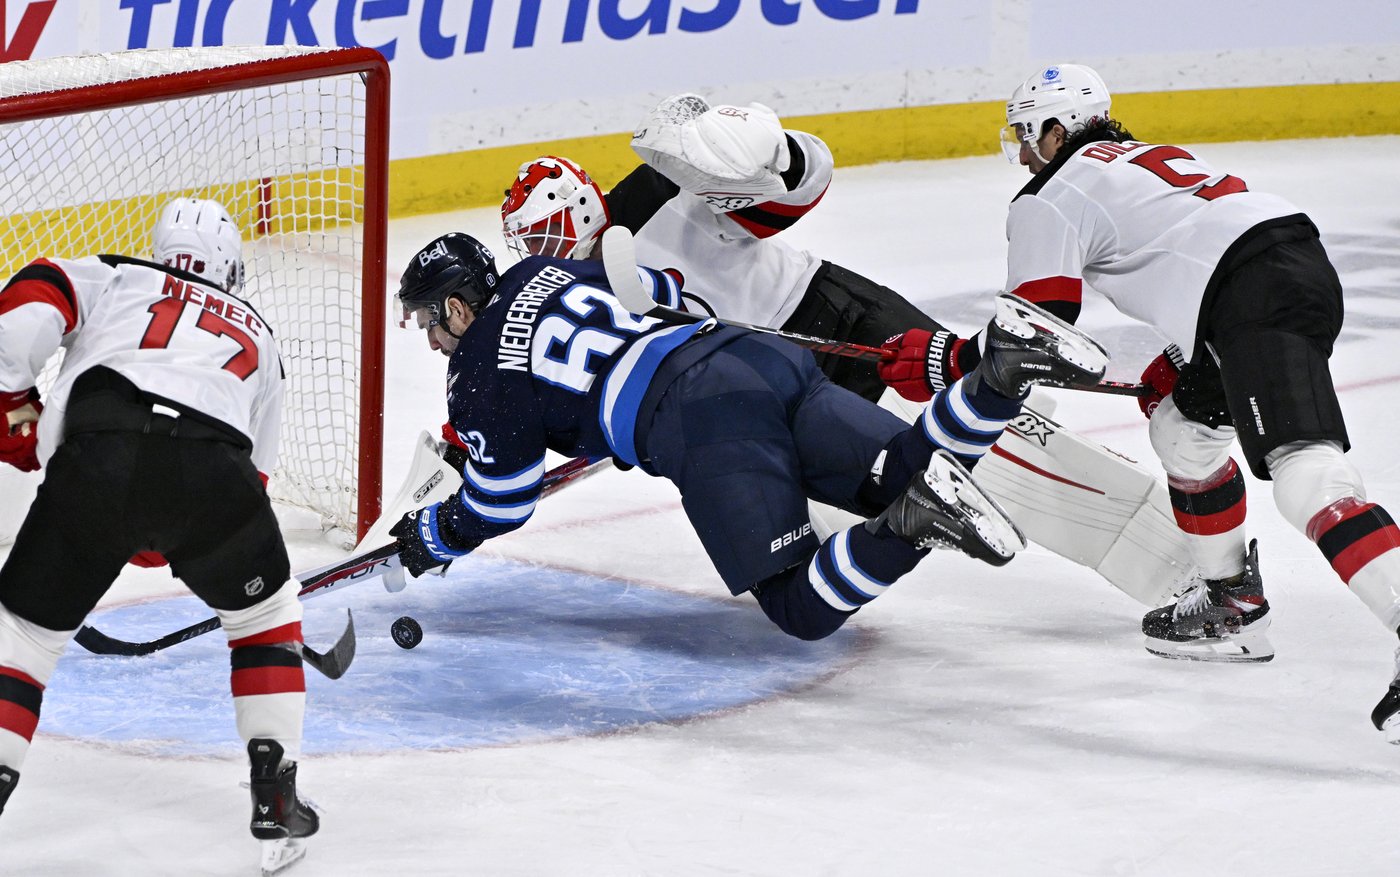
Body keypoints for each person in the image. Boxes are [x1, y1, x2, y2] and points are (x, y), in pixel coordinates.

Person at [884, 62, 1400, 735]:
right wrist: (1187, 355)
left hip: (1251, 292)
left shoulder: (1053, 191)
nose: (1020, 150)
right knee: (1182, 430)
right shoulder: (1137, 158)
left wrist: (943, 358)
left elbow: (1036, 326)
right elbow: (1190, 247)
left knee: (1307, 472)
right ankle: (1230, 602)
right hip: (1275, 271)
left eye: (1026, 134)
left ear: (1056, 127)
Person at [387, 232, 1108, 643]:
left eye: (428, 322)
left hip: (702, 418)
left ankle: (916, 525)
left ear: (456, 304)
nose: (431, 341)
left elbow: (504, 498)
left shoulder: (476, 374)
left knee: (798, 605)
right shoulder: (541, 270)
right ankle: (1002, 371)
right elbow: (661, 289)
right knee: (909, 467)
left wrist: (438, 532)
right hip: (753, 356)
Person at [0, 197, 320, 871]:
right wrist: (171, 533)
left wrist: (8, 398)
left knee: (25, 635)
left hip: (97, 457)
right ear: (231, 272)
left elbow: (30, 296)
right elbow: (252, 486)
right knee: (264, 613)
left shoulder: (118, 275)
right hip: (212, 476)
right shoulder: (261, 335)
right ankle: (275, 798)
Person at [499, 95, 979, 403]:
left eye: (543, 235)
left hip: (831, 310)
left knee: (980, 395)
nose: (542, 253)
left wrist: (774, 156)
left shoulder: (658, 189)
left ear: (580, 208)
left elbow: (789, 199)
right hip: (771, 378)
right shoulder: (573, 290)